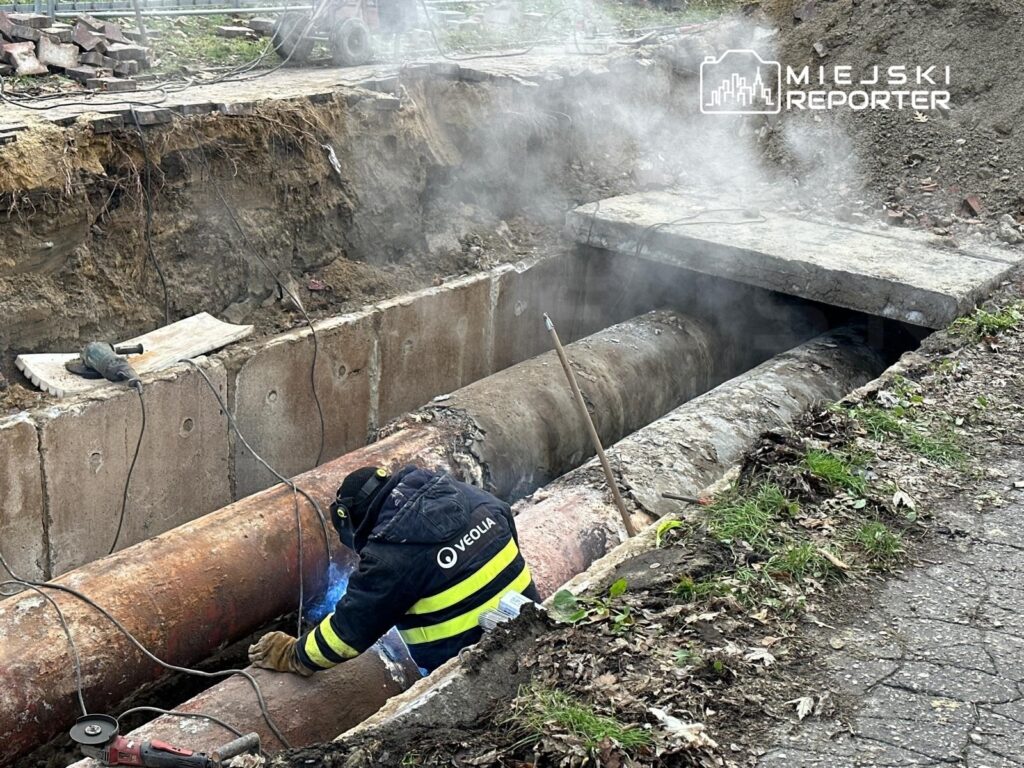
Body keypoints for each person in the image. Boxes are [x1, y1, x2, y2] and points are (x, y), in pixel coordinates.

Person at [248, 465, 539, 676]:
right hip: (534, 633)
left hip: (472, 670)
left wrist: (293, 654)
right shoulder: (467, 495)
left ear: (355, 524)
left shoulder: (390, 558)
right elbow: (503, 523)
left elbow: (346, 636)